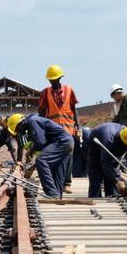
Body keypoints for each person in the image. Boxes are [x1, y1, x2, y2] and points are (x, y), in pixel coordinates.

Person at [6, 113, 73, 199]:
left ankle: (52, 194)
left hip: (61, 141)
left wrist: (31, 151)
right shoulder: (33, 120)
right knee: (57, 168)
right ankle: (56, 196)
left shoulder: (32, 121)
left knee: (41, 161)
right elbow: (43, 143)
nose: (18, 132)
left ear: (20, 124)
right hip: (67, 141)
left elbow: (40, 142)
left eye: (17, 129)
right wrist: (32, 163)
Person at [39, 64, 79, 194]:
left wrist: (78, 126)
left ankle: (66, 183)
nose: (53, 81)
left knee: (69, 156)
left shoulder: (69, 90)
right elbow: (41, 111)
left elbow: (74, 109)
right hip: (53, 131)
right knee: (56, 156)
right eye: (51, 80)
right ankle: (57, 182)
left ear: (60, 78)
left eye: (55, 79)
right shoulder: (45, 92)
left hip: (68, 129)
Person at [86, 123, 127, 198]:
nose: (126, 148)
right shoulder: (109, 140)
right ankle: (95, 197)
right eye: (125, 147)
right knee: (96, 175)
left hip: (111, 143)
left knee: (111, 177)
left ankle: (111, 195)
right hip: (95, 146)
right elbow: (106, 162)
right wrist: (117, 180)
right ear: (121, 140)